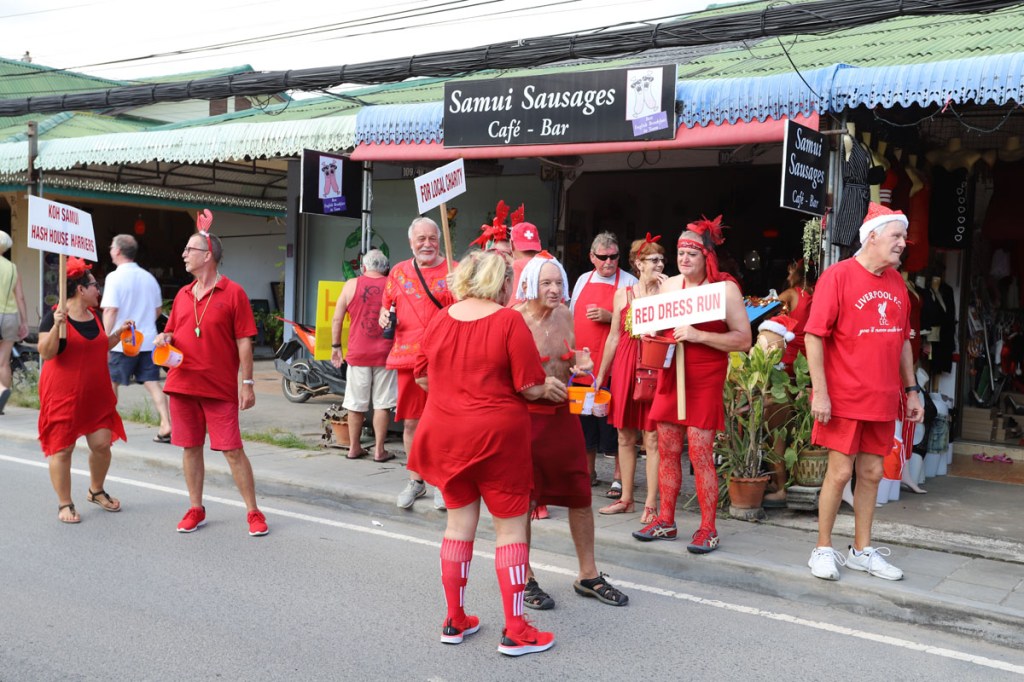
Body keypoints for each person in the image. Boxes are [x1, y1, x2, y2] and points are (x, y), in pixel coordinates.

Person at [407, 249, 566, 656]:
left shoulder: (441, 318)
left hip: (445, 432)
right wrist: (547, 387)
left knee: (458, 526)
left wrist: (454, 390)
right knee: (509, 530)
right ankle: (516, 629)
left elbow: (421, 375)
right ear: (502, 281)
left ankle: (454, 619)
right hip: (497, 438)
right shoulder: (508, 320)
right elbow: (530, 386)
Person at [805, 202, 924, 582]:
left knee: (872, 473)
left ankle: (861, 550)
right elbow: (813, 336)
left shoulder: (897, 283)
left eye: (904, 237)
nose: (903, 243)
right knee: (840, 473)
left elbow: (902, 341)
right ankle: (823, 548)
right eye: (897, 235)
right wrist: (820, 393)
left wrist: (912, 390)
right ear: (872, 236)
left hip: (883, 397)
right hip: (844, 397)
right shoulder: (838, 276)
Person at [516, 251, 629, 610]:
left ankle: (588, 574)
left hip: (563, 415)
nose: (554, 289)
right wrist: (536, 388)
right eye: (546, 283)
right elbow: (501, 375)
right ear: (530, 285)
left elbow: (569, 359)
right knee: (524, 501)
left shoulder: (565, 314)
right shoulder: (514, 319)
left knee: (580, 494)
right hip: (526, 419)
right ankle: (524, 577)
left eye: (558, 282)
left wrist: (581, 366)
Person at [633, 216, 751, 553]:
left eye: (692, 253)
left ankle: (708, 528)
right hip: (672, 372)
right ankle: (666, 520)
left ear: (707, 256)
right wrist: (651, 332)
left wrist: (700, 335)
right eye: (681, 252)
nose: (684, 258)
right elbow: (655, 328)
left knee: (700, 453)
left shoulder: (725, 290)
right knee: (667, 448)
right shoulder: (670, 286)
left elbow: (744, 340)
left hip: (705, 375)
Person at [153, 209, 269, 537]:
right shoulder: (182, 294)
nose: (183, 254)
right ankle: (195, 508)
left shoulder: (234, 293)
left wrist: (247, 383)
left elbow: (244, 342)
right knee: (190, 447)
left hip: (218, 387)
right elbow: (172, 331)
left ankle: (253, 511)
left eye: (189, 249)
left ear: (207, 255)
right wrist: (164, 338)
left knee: (232, 450)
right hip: (182, 383)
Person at [37, 257, 130, 523]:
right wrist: (57, 326)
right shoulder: (54, 316)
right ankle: (64, 503)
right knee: (63, 449)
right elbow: (46, 352)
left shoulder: (94, 316)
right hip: (63, 394)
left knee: (102, 444)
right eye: (94, 285)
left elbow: (97, 346)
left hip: (95, 395)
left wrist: (118, 335)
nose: (98, 290)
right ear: (80, 289)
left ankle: (96, 490)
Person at [381, 217, 454, 511]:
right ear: (411, 242)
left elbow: (471, 308)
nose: (427, 244)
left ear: (439, 240)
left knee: (443, 423)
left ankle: (442, 482)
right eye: (421, 239)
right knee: (412, 422)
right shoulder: (398, 272)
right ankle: (416, 480)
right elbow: (386, 307)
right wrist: (383, 316)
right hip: (408, 360)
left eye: (432, 238)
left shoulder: (455, 271)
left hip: (445, 360)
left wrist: (460, 290)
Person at [594, 234, 665, 522]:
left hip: (653, 363)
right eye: (653, 260)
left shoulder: (667, 292)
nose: (659, 264)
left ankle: (650, 503)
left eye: (662, 260)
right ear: (639, 263)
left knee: (652, 436)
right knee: (624, 434)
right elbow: (613, 337)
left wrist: (667, 293)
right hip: (626, 362)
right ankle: (626, 498)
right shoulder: (623, 294)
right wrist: (601, 375)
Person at [570, 232, 638, 492]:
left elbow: (639, 323)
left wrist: (611, 316)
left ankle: (619, 478)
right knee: (584, 422)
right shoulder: (582, 280)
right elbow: (571, 316)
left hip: (614, 365)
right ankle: (588, 473)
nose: (609, 262)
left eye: (614, 256)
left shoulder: (630, 282)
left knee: (615, 424)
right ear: (592, 257)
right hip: (584, 365)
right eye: (603, 257)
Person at [101, 233, 171, 442]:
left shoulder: (114, 277)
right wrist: (144, 322)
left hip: (121, 342)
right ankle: (166, 423)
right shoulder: (148, 277)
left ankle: (108, 424)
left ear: (118, 251)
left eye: (111, 246)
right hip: (147, 340)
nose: (110, 250)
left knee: (111, 382)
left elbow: (110, 310)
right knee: (152, 381)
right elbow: (157, 310)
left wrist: (105, 339)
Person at [330, 248, 396, 462]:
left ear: (364, 266)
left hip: (358, 353)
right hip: (386, 353)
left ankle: (354, 448)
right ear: (385, 267)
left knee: (355, 403)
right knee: (382, 403)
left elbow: (337, 319)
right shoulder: (392, 285)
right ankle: (379, 450)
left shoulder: (351, 285)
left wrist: (336, 346)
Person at [0, 231, 29, 415]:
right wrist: (24, 322)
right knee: (3, 362)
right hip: (9, 316)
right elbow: (20, 297)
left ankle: (1, 390)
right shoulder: (12, 268)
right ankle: (1, 400)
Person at [778, 258, 814, 371]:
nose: (788, 277)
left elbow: (768, 310)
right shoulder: (817, 292)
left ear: (798, 275)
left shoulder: (791, 294)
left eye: (790, 273)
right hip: (812, 356)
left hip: (792, 357)